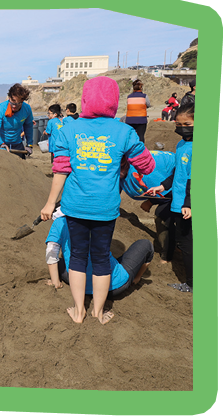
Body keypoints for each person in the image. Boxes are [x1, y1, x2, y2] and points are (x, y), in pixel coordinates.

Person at [40, 76, 155, 325]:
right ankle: (98, 313)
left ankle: (79, 311)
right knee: (101, 257)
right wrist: (124, 160)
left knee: (78, 256)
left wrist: (50, 204)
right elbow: (147, 165)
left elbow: (60, 170)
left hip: (74, 206)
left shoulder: (68, 129)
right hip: (105, 208)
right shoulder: (124, 131)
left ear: (85, 100)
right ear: (114, 101)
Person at [45, 213, 152, 298]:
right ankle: (137, 279)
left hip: (76, 283)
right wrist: (137, 277)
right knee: (146, 244)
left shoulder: (60, 222)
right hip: (112, 287)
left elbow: (51, 252)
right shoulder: (99, 218)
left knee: (60, 261)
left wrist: (56, 282)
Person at [146, 102, 194, 293]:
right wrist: (162, 186)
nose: (181, 128)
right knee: (181, 239)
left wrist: (188, 204)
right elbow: (178, 172)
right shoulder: (182, 144)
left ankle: (191, 283)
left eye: (187, 125)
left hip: (187, 204)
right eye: (178, 124)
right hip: (178, 201)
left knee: (188, 243)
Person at [0, 83, 34, 157]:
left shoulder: (27, 109)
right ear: (9, 97)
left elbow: (28, 127)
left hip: (16, 142)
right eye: (12, 101)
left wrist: (29, 145)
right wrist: (1, 144)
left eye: (17, 103)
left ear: (22, 101)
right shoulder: (0, 109)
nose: (14, 106)